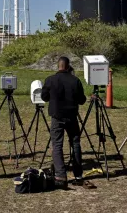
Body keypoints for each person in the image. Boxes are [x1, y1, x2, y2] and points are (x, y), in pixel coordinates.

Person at [41, 56, 87, 189]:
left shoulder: (50, 80)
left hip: (57, 116)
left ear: (58, 66)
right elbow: (82, 100)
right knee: (75, 143)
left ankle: (61, 175)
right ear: (68, 66)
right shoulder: (75, 80)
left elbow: (44, 97)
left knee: (57, 145)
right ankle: (78, 174)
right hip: (72, 116)